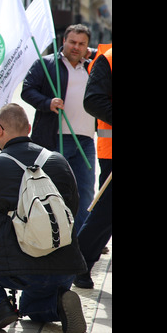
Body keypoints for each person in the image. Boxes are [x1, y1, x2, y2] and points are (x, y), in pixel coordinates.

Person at [0, 104, 87, 333]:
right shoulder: (59, 161)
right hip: (64, 264)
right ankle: (59, 303)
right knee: (30, 307)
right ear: (29, 127)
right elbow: (74, 208)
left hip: (13, 269)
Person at [21, 24, 95, 230]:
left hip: (86, 139)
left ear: (87, 47)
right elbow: (27, 90)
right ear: (64, 41)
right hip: (55, 138)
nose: (76, 47)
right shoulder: (46, 64)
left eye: (82, 44)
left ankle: (81, 237)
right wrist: (48, 103)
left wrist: (93, 53)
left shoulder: (92, 66)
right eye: (72, 42)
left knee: (86, 190)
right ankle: (52, 232)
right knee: (53, 189)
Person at [73, 45, 112, 289]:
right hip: (112, 150)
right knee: (106, 211)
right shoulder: (108, 59)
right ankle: (78, 264)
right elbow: (93, 101)